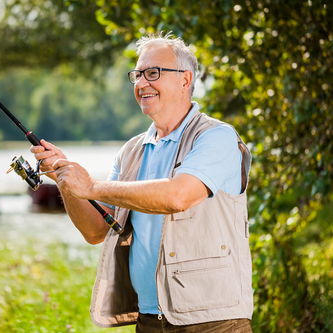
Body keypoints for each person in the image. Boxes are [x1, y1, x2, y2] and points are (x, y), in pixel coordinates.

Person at [30, 32, 253, 332]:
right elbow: (96, 230)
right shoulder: (132, 150)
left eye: (153, 73)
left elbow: (178, 196)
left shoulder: (217, 137)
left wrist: (92, 187)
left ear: (185, 80)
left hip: (213, 320)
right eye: (137, 75)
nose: (141, 83)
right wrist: (64, 179)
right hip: (149, 320)